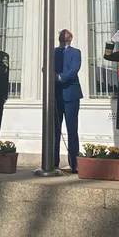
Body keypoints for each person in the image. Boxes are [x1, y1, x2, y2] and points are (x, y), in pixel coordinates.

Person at [54, 29, 82, 173]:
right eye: (61, 33)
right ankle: (53, 162)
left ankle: (74, 163)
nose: (63, 34)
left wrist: (59, 77)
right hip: (55, 95)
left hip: (70, 94)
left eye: (66, 33)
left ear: (70, 38)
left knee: (72, 130)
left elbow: (74, 70)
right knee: (54, 131)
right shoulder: (53, 51)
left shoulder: (75, 52)